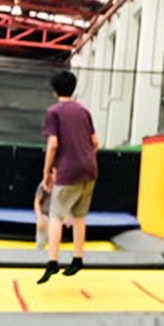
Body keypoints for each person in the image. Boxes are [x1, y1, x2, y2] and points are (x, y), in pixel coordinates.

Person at [37, 70, 99, 284]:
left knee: (55, 215)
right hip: (90, 169)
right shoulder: (84, 111)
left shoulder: (53, 112)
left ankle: (52, 261)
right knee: (79, 216)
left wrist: (47, 171)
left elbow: (53, 144)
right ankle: (77, 258)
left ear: (54, 90)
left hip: (68, 170)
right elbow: (95, 142)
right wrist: (85, 157)